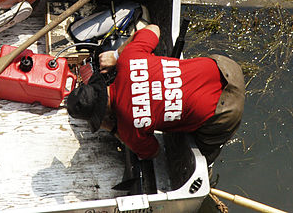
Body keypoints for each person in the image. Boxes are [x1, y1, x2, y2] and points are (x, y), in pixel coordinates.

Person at [66, 24, 245, 166]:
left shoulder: (130, 127)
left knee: (202, 154)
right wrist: (116, 54)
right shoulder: (129, 58)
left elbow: (152, 152)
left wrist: (113, 129)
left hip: (227, 109)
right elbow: (153, 29)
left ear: (101, 115)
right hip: (225, 67)